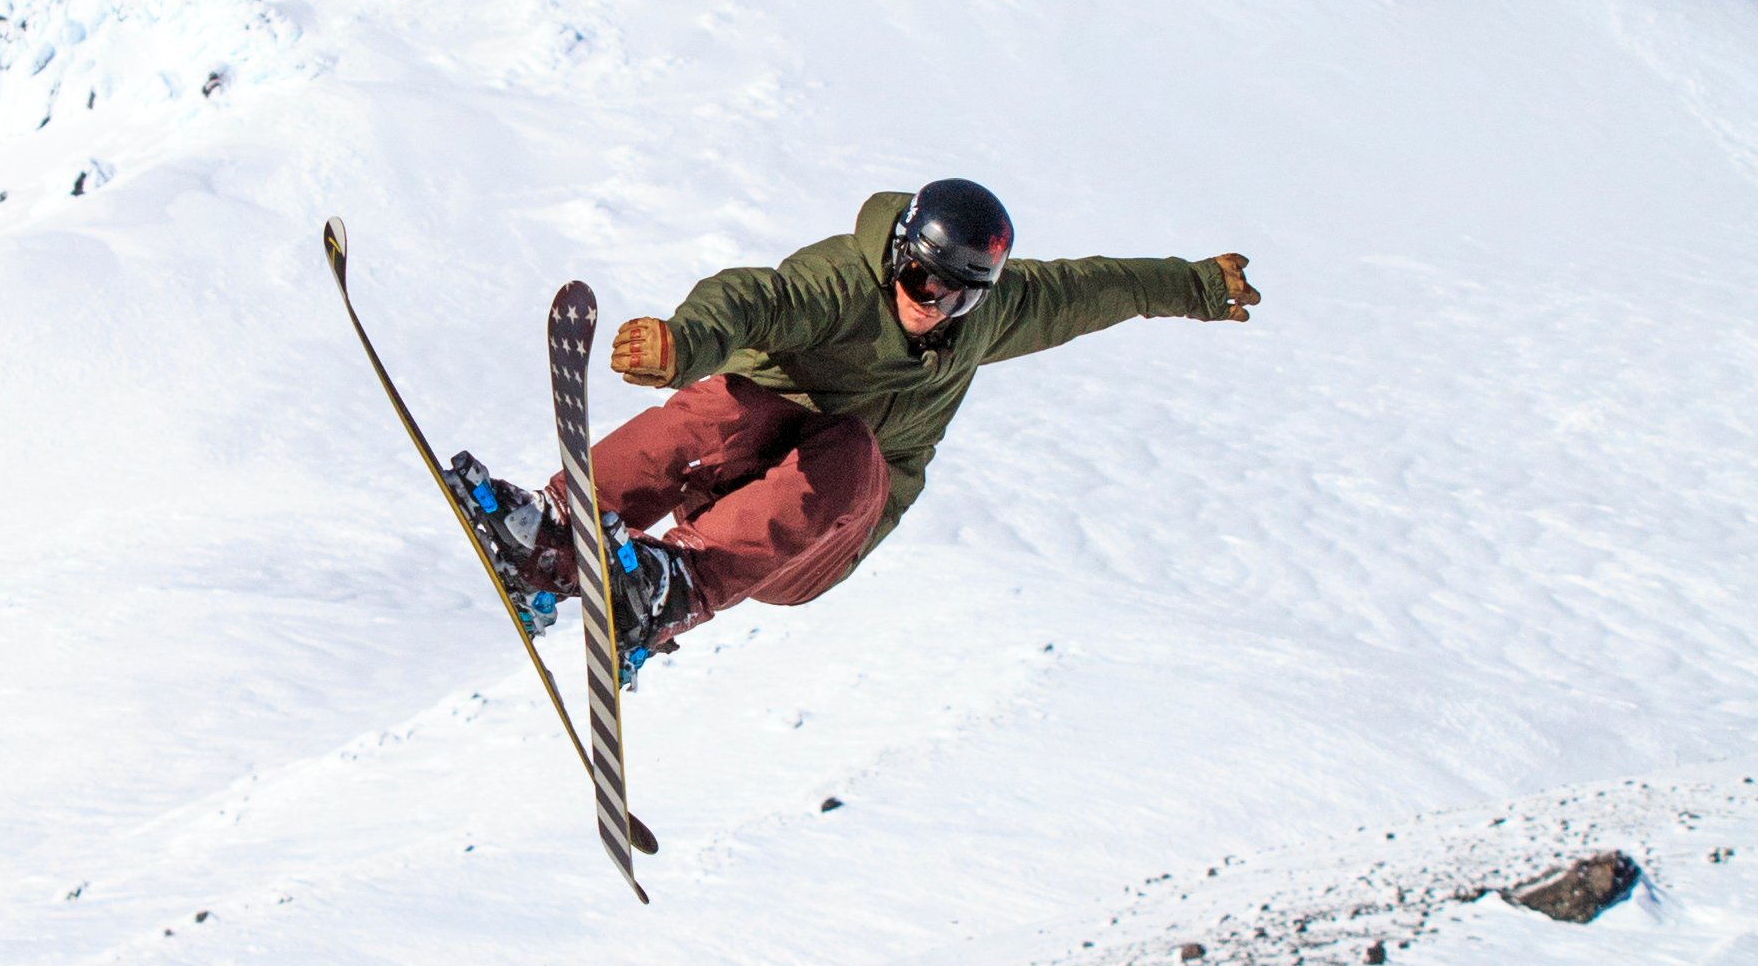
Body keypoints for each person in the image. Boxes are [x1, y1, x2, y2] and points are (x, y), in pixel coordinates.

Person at [463, 180, 1259, 670]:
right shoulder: (839, 283)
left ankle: (674, 590)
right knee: (736, 399)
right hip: (732, 481)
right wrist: (683, 342)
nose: (933, 305)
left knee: (853, 449)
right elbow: (755, 300)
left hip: (811, 541)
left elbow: (1094, 290)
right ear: (898, 256)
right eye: (920, 279)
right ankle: (558, 539)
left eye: (960, 295)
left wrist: (1193, 285)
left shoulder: (986, 319)